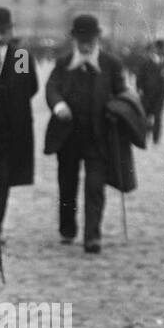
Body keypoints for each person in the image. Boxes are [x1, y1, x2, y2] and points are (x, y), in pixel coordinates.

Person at [43, 14, 129, 254]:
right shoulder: (64, 63)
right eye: (81, 39)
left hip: (98, 137)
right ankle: (67, 229)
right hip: (67, 137)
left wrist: (117, 109)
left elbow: (123, 93)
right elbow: (52, 88)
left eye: (89, 39)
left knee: (95, 186)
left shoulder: (111, 64)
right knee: (67, 186)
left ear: (97, 39)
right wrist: (59, 106)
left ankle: (92, 236)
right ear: (74, 39)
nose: (85, 44)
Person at [0, 7, 38, 244]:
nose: (0, 37)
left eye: (4, 32)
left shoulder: (20, 56)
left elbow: (28, 86)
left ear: (11, 31)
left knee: (2, 180)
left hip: (9, 129)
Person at [135, 39, 164, 144]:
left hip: (160, 94)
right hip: (147, 93)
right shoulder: (146, 62)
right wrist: (139, 88)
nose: (161, 51)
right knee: (145, 116)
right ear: (155, 49)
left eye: (162, 49)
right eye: (159, 49)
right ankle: (144, 135)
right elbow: (139, 76)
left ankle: (156, 138)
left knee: (158, 117)